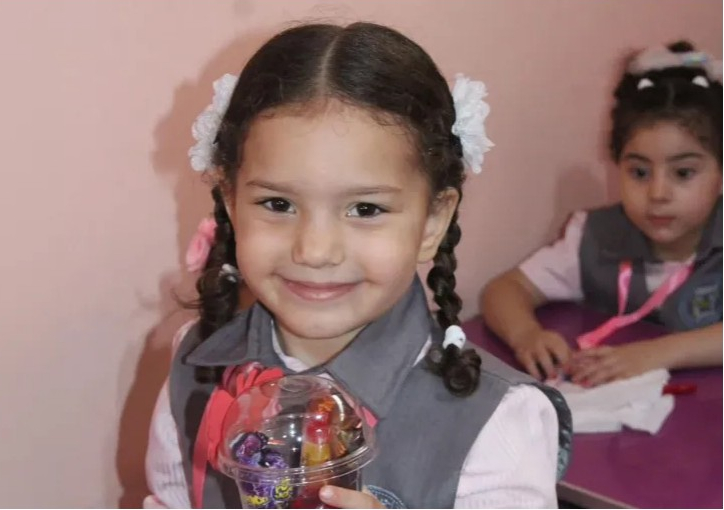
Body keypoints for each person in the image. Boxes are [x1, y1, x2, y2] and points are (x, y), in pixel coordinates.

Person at [145, 22, 570, 508]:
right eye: (278, 204)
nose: (315, 250)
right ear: (231, 203)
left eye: (365, 209)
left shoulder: (498, 421)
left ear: (433, 222)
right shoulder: (194, 364)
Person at [481, 41, 722, 387]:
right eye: (639, 172)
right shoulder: (594, 235)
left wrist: (654, 354)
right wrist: (526, 335)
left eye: (683, 173)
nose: (657, 193)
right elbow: (504, 290)